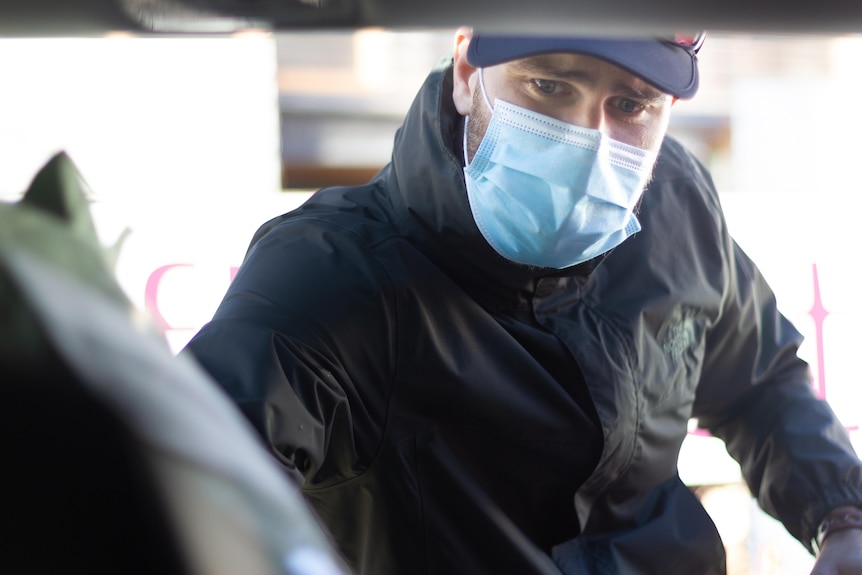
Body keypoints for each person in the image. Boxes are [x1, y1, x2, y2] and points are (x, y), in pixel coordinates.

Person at [183, 27, 862, 574]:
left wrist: (842, 515)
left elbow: (759, 382)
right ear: (465, 72)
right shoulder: (338, 275)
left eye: (631, 105)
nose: (589, 140)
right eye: (549, 84)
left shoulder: (675, 208)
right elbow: (191, 473)